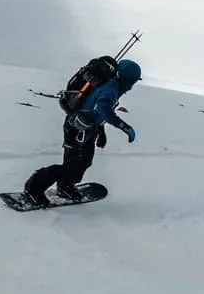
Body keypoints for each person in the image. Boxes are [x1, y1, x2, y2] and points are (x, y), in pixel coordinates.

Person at [24, 58, 141, 205]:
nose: (131, 87)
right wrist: (125, 127)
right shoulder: (111, 89)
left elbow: (93, 109)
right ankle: (34, 188)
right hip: (77, 128)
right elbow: (103, 110)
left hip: (86, 128)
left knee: (82, 163)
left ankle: (65, 186)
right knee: (73, 166)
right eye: (132, 82)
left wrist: (100, 130)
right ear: (126, 78)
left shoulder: (111, 86)